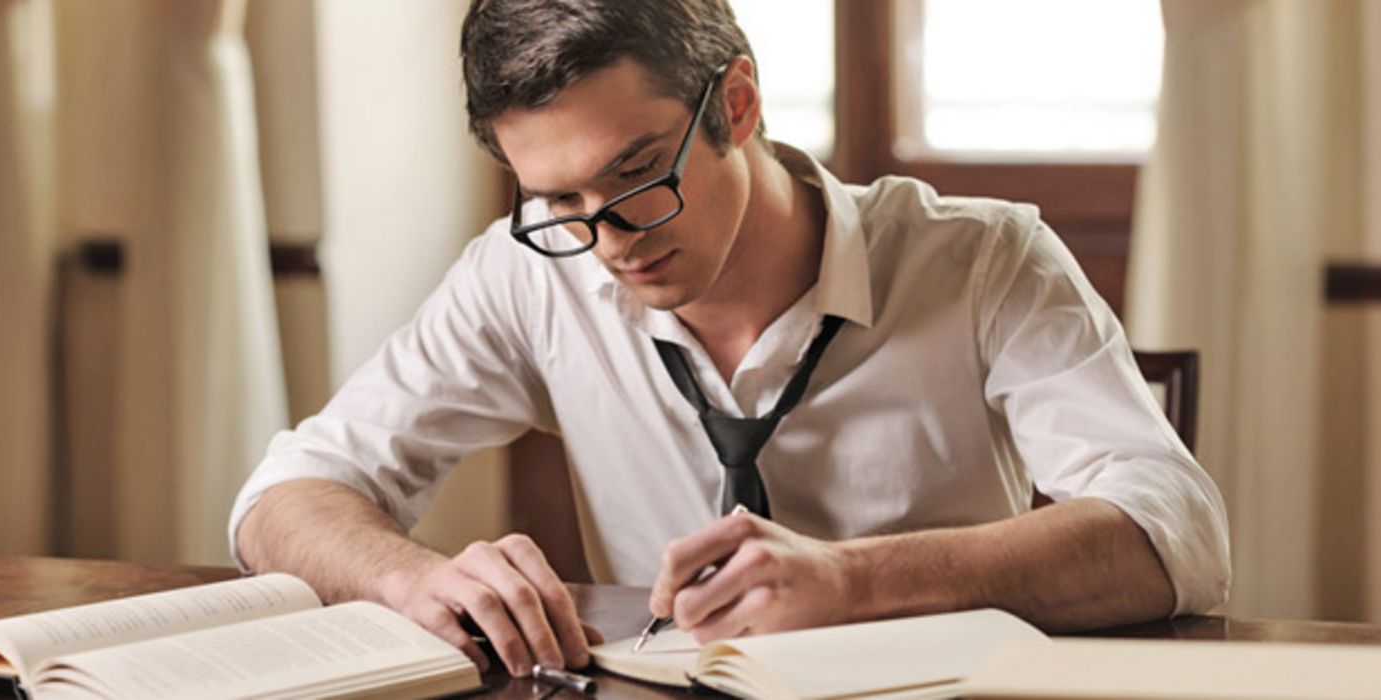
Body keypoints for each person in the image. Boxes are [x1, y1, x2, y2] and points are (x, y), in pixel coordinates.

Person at [230, 0, 1230, 680]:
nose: (611, 239)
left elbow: (1175, 531)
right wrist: (412, 577)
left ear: (738, 103)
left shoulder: (984, 259)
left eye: (636, 172)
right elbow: (283, 497)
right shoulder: (534, 269)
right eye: (561, 199)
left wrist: (857, 582)